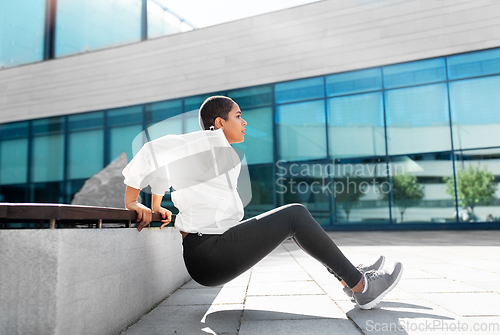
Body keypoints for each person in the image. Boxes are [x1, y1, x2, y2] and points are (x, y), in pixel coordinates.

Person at [122, 96, 403, 310]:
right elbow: (152, 151)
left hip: (215, 245)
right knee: (295, 214)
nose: (244, 122)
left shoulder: (218, 153)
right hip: (208, 253)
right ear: (219, 123)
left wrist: (157, 203)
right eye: (238, 116)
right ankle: (362, 286)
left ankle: (350, 277)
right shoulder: (201, 143)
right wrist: (132, 201)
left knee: (293, 217)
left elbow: (164, 170)